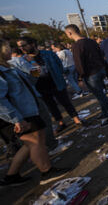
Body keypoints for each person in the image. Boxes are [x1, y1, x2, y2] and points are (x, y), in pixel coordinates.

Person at [0, 39, 71, 186]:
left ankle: (11, 175)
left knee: (29, 145)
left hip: (28, 108)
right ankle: (47, 171)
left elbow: (31, 81)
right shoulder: (3, 71)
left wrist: (33, 67)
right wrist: (16, 119)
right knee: (36, 142)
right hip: (22, 113)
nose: (10, 50)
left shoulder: (9, 67)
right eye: (6, 48)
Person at [16, 37, 83, 132]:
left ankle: (77, 119)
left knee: (65, 102)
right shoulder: (23, 61)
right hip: (40, 86)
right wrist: (31, 62)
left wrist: (59, 76)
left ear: (32, 44)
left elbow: (59, 66)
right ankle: (61, 123)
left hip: (56, 82)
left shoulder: (48, 54)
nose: (22, 48)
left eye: (24, 45)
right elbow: (33, 75)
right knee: (51, 106)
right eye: (19, 47)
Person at [64, 25, 108, 127]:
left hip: (91, 74)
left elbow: (79, 63)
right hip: (100, 70)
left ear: (70, 33)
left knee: (100, 96)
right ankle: (105, 112)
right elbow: (102, 55)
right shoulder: (91, 41)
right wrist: (106, 70)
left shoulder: (76, 46)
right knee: (100, 93)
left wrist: (80, 77)